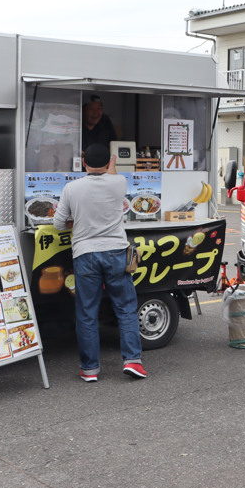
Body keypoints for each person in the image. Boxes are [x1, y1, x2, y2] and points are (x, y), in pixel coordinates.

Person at [53, 144, 144, 381]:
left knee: (87, 314)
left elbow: (58, 223)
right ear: (108, 163)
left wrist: (76, 223)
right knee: (126, 309)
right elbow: (110, 176)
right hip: (116, 253)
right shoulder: (119, 182)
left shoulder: (71, 188)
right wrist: (112, 161)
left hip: (85, 254)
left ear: (83, 162)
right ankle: (133, 361)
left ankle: (90, 369)